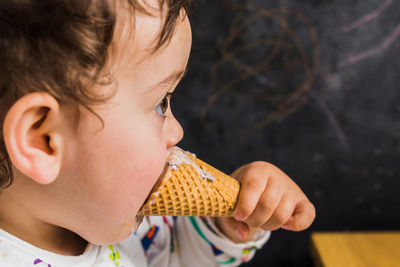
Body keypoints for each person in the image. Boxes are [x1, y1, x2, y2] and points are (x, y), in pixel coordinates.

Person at [0, 0, 316, 266]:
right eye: (159, 104)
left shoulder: (121, 209)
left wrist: (224, 226)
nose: (177, 131)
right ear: (43, 140)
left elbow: (177, 255)